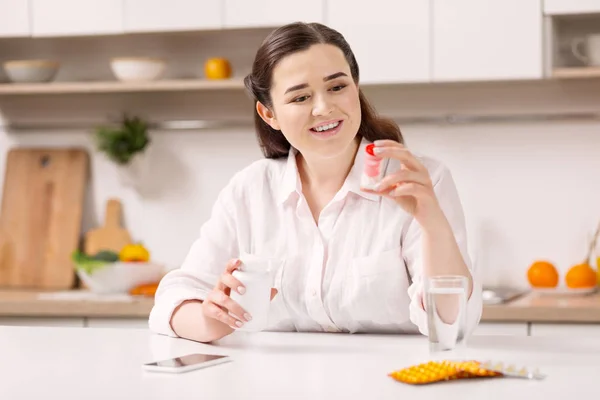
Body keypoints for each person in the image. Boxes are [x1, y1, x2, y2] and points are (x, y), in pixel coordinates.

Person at [149, 22, 482, 343]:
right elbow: (173, 298)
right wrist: (211, 319)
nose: (324, 108)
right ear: (270, 114)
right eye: (300, 98)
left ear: (356, 87)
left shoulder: (420, 180)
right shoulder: (249, 190)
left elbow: (451, 325)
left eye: (338, 87)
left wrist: (432, 224)